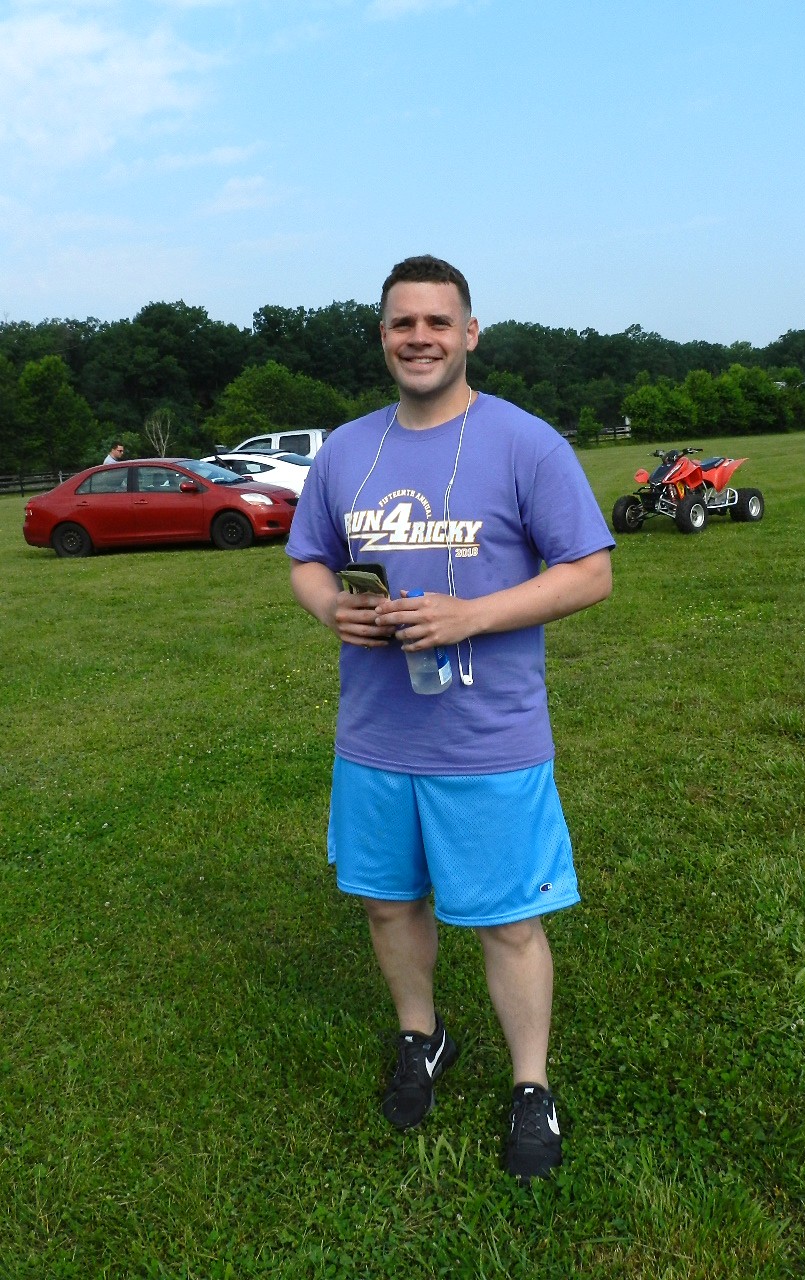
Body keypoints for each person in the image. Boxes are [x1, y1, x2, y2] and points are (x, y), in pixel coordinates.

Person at [286, 255, 613, 1181]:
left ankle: (531, 1086)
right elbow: (308, 560)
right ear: (383, 336)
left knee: (509, 921)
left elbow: (591, 571)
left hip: (488, 741)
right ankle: (421, 1038)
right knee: (389, 905)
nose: (419, 338)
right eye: (403, 323)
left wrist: (472, 616)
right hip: (376, 738)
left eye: (438, 322)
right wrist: (331, 607)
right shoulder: (347, 452)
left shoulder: (525, 443)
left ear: (470, 333)